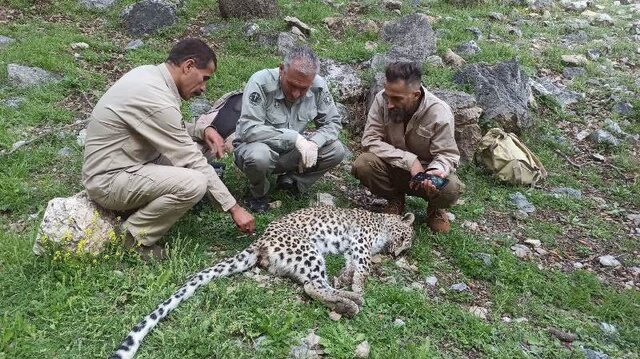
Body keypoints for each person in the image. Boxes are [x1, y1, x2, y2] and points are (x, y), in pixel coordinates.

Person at [82, 38, 255, 259]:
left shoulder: (149, 75)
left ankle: (141, 211)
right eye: (204, 79)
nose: (203, 88)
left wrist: (203, 131)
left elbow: (170, 128)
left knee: (205, 146)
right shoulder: (156, 99)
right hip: (109, 181)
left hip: (129, 163)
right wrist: (234, 208)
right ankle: (132, 239)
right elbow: (190, 158)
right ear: (188, 66)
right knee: (194, 182)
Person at [351, 62, 465, 233]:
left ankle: (435, 207)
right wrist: (410, 161)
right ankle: (395, 199)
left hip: (425, 174)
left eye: (397, 99)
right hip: (393, 166)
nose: (389, 103)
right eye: (388, 95)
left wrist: (435, 171)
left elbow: (447, 154)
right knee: (363, 164)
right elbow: (370, 140)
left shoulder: (439, 112)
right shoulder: (382, 99)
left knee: (451, 189)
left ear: (416, 95)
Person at [233, 46, 345, 212]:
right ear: (281, 70)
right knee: (259, 156)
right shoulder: (260, 82)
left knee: (336, 150)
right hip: (256, 150)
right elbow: (248, 129)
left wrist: (314, 143)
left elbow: (333, 123)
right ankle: (258, 194)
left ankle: (292, 182)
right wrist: (294, 138)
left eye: (303, 88)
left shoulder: (318, 87)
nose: (295, 94)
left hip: (291, 154)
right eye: (292, 85)